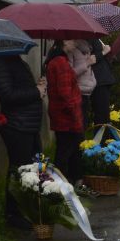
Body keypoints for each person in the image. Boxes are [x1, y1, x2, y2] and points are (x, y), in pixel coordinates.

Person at [0, 52, 44, 229]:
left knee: (32, 168)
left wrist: (37, 87)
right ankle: (14, 215)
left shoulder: (15, 60)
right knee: (19, 170)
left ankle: (29, 209)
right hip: (18, 125)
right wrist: (36, 91)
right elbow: (7, 95)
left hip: (28, 124)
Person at [44, 41, 84, 184]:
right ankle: (60, 185)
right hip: (67, 116)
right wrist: (75, 115)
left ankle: (67, 182)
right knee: (65, 152)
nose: (75, 42)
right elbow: (65, 93)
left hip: (61, 114)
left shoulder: (55, 61)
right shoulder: (60, 63)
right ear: (64, 43)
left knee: (67, 150)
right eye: (71, 39)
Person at [68, 39, 97, 132]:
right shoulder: (71, 50)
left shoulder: (87, 48)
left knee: (84, 123)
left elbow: (89, 71)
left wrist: (93, 81)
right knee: (78, 126)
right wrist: (87, 63)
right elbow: (70, 73)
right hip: (77, 91)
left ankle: (83, 144)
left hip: (88, 91)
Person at [87, 38, 116, 128]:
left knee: (105, 114)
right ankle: (100, 139)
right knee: (101, 114)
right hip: (98, 80)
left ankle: (105, 138)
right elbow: (90, 59)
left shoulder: (96, 37)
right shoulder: (88, 38)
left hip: (104, 79)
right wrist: (103, 52)